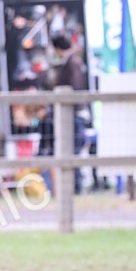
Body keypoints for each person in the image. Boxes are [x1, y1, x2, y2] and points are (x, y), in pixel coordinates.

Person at [50, 32, 88, 193]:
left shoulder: (72, 63)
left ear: (58, 48)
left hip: (74, 113)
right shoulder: (72, 62)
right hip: (74, 113)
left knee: (73, 151)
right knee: (71, 150)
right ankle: (73, 187)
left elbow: (75, 87)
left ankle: (76, 187)